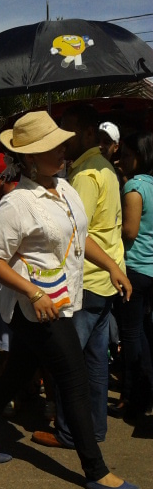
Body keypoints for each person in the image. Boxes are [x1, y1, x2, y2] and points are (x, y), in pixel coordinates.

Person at [0, 110, 138, 489]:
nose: (62, 151)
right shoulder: (16, 202)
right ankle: (95, 469)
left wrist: (112, 266)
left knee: (17, 375)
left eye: (62, 144)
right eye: (52, 147)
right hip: (36, 308)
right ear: (30, 156)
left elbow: (81, 239)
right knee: (74, 380)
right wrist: (33, 292)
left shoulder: (65, 189)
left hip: (64, 298)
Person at [33, 104, 126, 448]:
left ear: (88, 133)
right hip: (104, 277)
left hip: (88, 279)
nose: (64, 138)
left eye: (70, 130)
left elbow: (74, 231)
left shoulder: (86, 174)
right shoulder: (103, 168)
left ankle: (71, 432)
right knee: (95, 361)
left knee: (69, 362)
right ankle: (95, 428)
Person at [109, 132, 153, 418]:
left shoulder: (135, 187)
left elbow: (130, 231)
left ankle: (137, 395)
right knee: (145, 333)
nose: (120, 160)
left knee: (132, 335)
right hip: (150, 268)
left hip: (135, 268)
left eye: (125, 155)